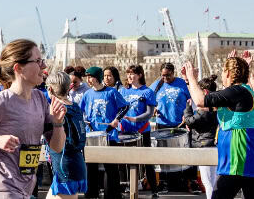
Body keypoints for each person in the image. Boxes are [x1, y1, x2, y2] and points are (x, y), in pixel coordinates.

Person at [0, 39, 67, 198]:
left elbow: (57, 147)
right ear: (18, 68)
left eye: (42, 60)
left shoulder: (40, 99)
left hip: (26, 190)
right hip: (1, 190)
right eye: (38, 61)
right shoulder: (0, 102)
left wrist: (58, 123)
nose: (44, 66)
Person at [184, 53, 254, 199]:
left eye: (223, 71)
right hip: (245, 161)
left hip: (237, 162)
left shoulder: (237, 91)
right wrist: (188, 82)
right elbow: (205, 107)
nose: (221, 75)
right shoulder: (242, 92)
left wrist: (191, 76)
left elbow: (200, 101)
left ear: (228, 73)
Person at [80, 66, 129, 199]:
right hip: (91, 135)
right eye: (87, 77)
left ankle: (112, 195)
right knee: (91, 167)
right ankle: (91, 194)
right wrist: (84, 120)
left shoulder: (111, 92)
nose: (89, 80)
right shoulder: (87, 94)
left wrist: (116, 120)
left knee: (110, 168)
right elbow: (80, 111)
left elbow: (125, 106)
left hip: (109, 135)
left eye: (91, 77)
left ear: (97, 78)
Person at [149, 62, 194, 193]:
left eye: (168, 75)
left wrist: (188, 114)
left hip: (180, 123)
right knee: (163, 154)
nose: (165, 78)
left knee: (184, 153)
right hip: (163, 123)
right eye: (163, 75)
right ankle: (164, 182)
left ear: (173, 73)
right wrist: (153, 109)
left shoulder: (181, 84)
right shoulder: (156, 85)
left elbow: (191, 101)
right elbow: (149, 101)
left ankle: (187, 182)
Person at [43, 71, 87, 199]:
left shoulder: (55, 110)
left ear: (50, 89)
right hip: (75, 162)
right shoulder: (75, 107)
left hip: (64, 167)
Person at [119, 65, 160, 199]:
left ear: (140, 75)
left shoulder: (147, 92)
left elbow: (149, 113)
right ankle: (127, 186)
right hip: (125, 132)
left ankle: (154, 190)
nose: (130, 76)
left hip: (142, 131)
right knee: (126, 161)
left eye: (133, 74)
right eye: (128, 74)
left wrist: (135, 119)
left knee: (147, 161)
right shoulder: (123, 91)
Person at [183, 75, 219, 199]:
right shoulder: (216, 107)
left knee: (208, 182)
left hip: (205, 147)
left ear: (205, 92)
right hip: (214, 146)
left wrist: (187, 109)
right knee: (213, 182)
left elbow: (190, 121)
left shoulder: (205, 110)